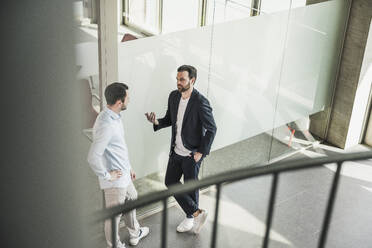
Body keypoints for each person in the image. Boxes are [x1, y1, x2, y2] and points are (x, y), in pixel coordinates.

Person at [145, 65, 217, 234]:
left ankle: (190, 218)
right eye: (177, 79)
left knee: (191, 187)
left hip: (192, 154)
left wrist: (201, 152)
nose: (178, 82)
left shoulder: (200, 102)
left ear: (192, 80)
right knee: (170, 182)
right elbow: (170, 119)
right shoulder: (174, 96)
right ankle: (197, 212)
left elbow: (212, 128)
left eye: (182, 79)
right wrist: (156, 122)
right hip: (176, 151)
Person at [87, 83, 149, 248]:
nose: (130, 99)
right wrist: (107, 176)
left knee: (132, 197)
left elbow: (118, 148)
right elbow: (93, 157)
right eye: (127, 97)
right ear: (120, 102)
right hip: (115, 182)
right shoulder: (107, 124)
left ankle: (135, 233)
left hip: (124, 175)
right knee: (113, 217)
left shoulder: (113, 116)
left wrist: (129, 168)